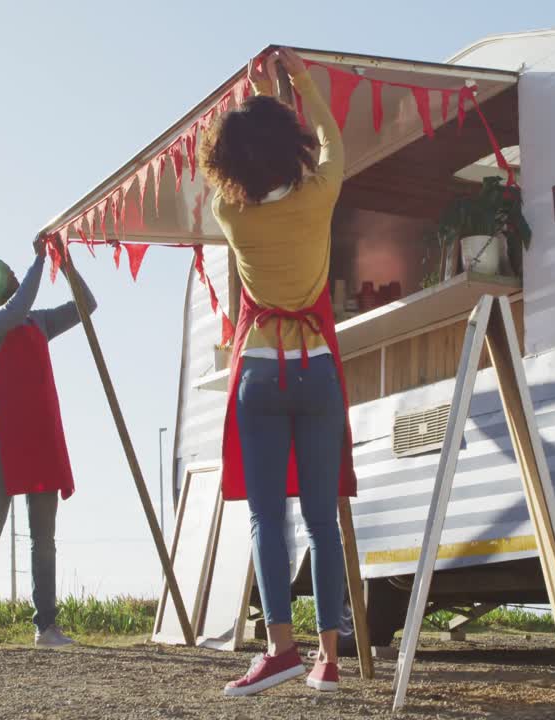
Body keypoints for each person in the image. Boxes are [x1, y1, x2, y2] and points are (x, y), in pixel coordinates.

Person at [201, 47, 358, 697]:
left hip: (260, 372)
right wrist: (296, 86)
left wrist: (257, 100)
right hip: (317, 370)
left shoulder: (230, 214)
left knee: (270, 518)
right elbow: (326, 139)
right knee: (323, 519)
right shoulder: (321, 194)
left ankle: (280, 650)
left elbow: (249, 162)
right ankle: (328, 660)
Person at [0, 235, 95, 648]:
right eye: (11, 273)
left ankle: (45, 626)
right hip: (3, 444)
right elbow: (17, 308)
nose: (18, 275)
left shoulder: (38, 322)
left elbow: (87, 306)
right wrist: (38, 262)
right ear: (0, 284)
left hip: (41, 438)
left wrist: (64, 267)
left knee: (43, 537)